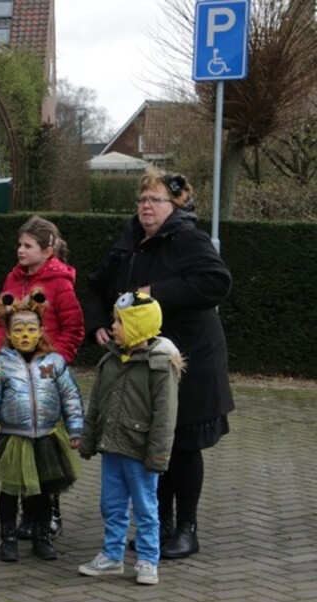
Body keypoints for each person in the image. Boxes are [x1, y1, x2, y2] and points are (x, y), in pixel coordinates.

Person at [85, 169, 233, 559]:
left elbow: (217, 281)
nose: (146, 207)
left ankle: (187, 529)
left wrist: (157, 292)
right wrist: (97, 323)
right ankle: (161, 524)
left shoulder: (188, 239)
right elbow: (98, 285)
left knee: (182, 444)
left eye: (155, 200)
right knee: (152, 442)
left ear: (175, 206)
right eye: (142, 200)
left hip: (189, 360)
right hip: (142, 362)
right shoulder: (130, 240)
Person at [78, 292, 183, 586]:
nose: (113, 326)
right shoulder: (111, 359)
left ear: (138, 326)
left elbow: (165, 416)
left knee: (145, 507)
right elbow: (96, 404)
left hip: (140, 451)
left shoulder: (160, 366)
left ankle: (148, 559)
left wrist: (158, 455)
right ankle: (112, 555)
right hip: (112, 447)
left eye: (120, 322)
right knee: (111, 505)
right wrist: (88, 439)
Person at [0, 216, 84, 541]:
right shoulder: (13, 278)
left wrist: (54, 362)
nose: (20, 250)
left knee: (45, 449)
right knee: (19, 445)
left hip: (45, 379)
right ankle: (26, 515)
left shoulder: (60, 284)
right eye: (19, 244)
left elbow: (74, 328)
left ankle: (49, 513)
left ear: (47, 250)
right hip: (16, 376)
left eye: (28, 245)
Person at [0, 290, 83, 562]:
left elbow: (70, 396)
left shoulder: (54, 362)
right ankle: (8, 536)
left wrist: (76, 428)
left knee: (43, 490)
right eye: (18, 330)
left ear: (41, 331)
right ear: (8, 334)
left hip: (47, 437)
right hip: (14, 438)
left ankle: (41, 536)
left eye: (31, 329)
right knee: (11, 489)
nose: (25, 335)